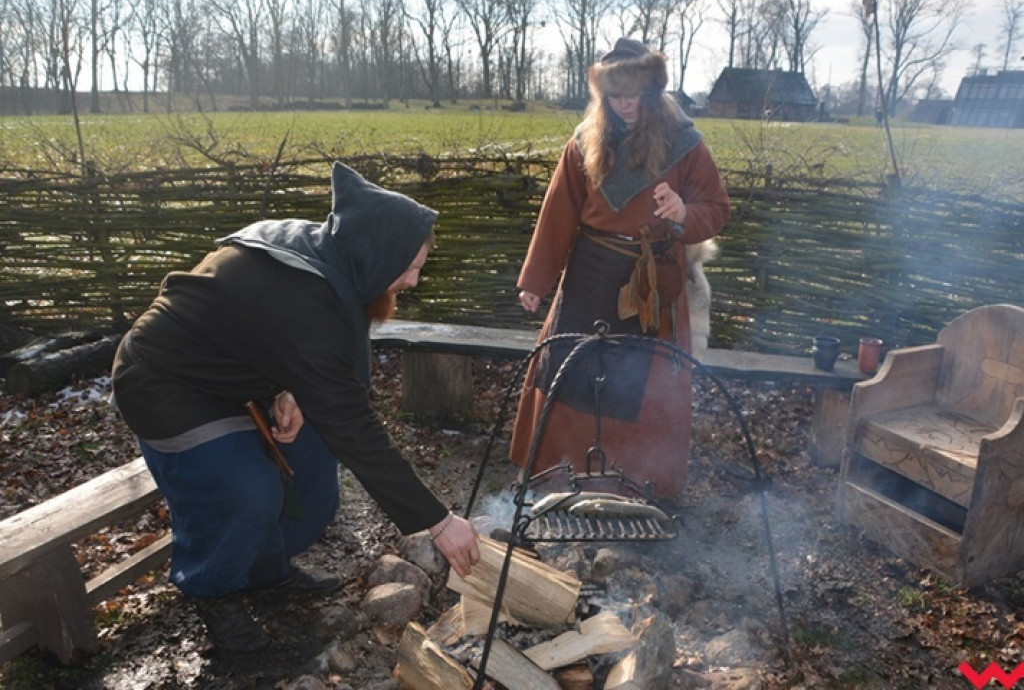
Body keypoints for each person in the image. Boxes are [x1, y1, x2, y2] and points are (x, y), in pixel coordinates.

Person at [111, 162, 480, 652]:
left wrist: (290, 386)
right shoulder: (308, 299)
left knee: (311, 477)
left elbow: (269, 333)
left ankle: (265, 571)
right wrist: (438, 520)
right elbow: (352, 424)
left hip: (239, 377)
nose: (412, 281)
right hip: (166, 386)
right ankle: (214, 592)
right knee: (247, 491)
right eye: (409, 267)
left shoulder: (331, 257)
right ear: (377, 256)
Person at [510, 38, 730, 500]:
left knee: (644, 394)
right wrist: (536, 281)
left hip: (654, 285)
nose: (625, 105)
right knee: (569, 376)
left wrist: (683, 213)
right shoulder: (583, 142)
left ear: (652, 92)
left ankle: (636, 488)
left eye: (634, 95)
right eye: (615, 96)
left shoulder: (684, 144)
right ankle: (557, 477)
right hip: (589, 273)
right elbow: (559, 213)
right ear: (603, 95)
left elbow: (716, 207)